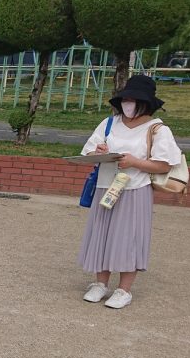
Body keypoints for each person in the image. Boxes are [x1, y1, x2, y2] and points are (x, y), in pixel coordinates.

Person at [78, 75, 182, 309]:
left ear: (146, 102)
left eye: (134, 99)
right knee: (101, 234)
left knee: (129, 238)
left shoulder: (157, 129)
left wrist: (135, 162)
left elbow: (164, 165)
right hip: (106, 187)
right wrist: (99, 151)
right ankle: (99, 284)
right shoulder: (108, 124)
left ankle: (124, 289)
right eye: (126, 98)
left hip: (135, 190)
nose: (128, 103)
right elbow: (87, 154)